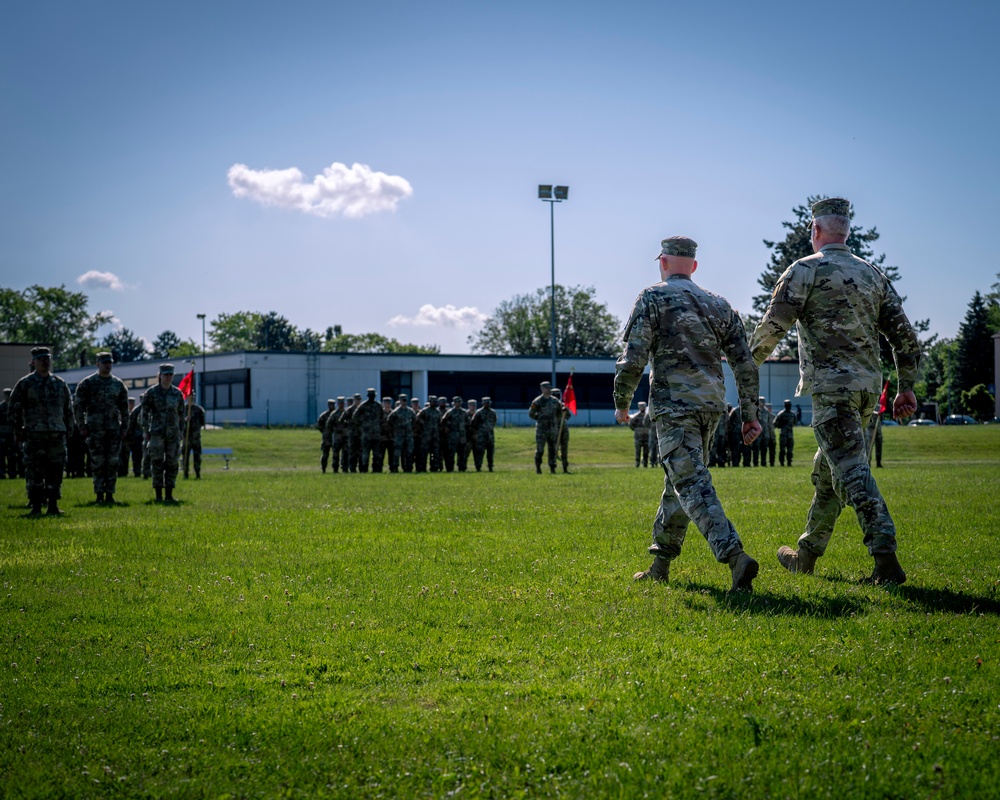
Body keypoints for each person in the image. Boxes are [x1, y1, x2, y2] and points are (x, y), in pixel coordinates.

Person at [750, 197, 920, 585]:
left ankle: (886, 559)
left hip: (832, 391)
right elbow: (906, 340)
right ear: (846, 231)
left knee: (852, 472)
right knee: (828, 471)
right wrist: (906, 389)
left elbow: (771, 330)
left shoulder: (805, 270)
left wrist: (740, 369)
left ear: (815, 231)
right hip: (866, 392)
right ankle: (805, 556)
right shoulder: (872, 274)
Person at [614, 236, 762, 593]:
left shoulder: (653, 297)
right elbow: (745, 363)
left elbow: (634, 357)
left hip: (674, 406)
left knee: (691, 483)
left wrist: (622, 401)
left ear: (662, 262)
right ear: (693, 266)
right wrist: (749, 414)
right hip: (711, 407)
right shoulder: (719, 304)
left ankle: (734, 556)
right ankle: (660, 564)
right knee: (679, 482)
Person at [8, 347, 74, 515]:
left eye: (47, 358)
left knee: (56, 471)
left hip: (56, 434)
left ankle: (53, 506)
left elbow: (68, 409)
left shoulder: (60, 384)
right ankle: (36, 507)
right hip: (34, 434)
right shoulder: (25, 383)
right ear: (33, 362)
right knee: (35, 472)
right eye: (41, 359)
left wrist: (69, 430)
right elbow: (14, 409)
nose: (45, 361)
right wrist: (17, 430)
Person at [74, 352, 129, 504]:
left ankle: (110, 495)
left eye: (109, 362)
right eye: (104, 362)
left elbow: (124, 409)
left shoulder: (118, 384)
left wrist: (124, 428)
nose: (107, 365)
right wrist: (82, 426)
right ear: (97, 364)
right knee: (98, 463)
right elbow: (78, 407)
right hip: (95, 430)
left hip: (113, 430)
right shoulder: (87, 383)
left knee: (112, 463)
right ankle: (99, 495)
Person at [141, 363, 185, 502]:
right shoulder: (151, 392)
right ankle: (158, 495)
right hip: (157, 433)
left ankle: (169, 494)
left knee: (172, 463)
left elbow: (181, 414)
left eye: (170, 374)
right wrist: (146, 430)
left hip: (173, 434)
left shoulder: (177, 393)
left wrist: (181, 431)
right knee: (157, 462)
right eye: (165, 374)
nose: (168, 377)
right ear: (160, 375)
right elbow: (144, 413)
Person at [528, 381, 561, 474]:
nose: (548, 389)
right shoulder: (537, 401)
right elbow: (531, 413)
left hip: (553, 429)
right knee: (540, 450)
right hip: (541, 429)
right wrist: (539, 419)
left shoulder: (555, 401)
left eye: (549, 388)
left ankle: (552, 468)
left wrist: (556, 421)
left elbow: (559, 413)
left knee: (553, 449)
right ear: (541, 389)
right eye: (546, 388)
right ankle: (538, 468)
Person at [356, 388, 385, 473]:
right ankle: (364, 468)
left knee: (376, 453)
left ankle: (376, 469)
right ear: (368, 396)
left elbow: (382, 418)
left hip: (376, 434)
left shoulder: (378, 406)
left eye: (373, 395)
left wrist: (380, 428)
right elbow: (355, 417)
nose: (372, 397)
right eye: (370, 395)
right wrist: (361, 426)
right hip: (366, 434)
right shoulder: (363, 405)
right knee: (365, 453)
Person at [387, 393, 415, 472]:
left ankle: (408, 467)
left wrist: (411, 428)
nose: (404, 402)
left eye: (405, 400)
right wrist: (395, 429)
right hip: (399, 435)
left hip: (408, 435)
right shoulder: (396, 411)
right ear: (400, 400)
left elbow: (415, 420)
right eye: (403, 400)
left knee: (409, 452)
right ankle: (395, 467)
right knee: (397, 452)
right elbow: (389, 421)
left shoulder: (410, 411)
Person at [439, 396, 468, 472]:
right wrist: (447, 429)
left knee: (462, 453)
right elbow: (443, 422)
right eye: (457, 402)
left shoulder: (464, 412)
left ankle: (462, 468)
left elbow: (468, 423)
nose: (458, 403)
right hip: (452, 436)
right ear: (454, 403)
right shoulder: (450, 412)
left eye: (460, 402)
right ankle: (450, 468)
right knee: (451, 453)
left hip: (462, 437)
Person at [470, 396, 498, 472]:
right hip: (481, 436)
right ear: (482, 403)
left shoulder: (493, 412)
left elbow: (494, 422)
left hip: (490, 436)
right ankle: (478, 466)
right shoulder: (478, 412)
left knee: (490, 452)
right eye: (485, 403)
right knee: (479, 452)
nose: (487, 404)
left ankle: (490, 466)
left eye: (488, 403)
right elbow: (473, 423)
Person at [415, 396, 440, 473]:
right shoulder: (424, 411)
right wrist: (421, 430)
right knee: (424, 453)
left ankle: (434, 467)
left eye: (436, 401)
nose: (434, 403)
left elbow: (439, 423)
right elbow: (417, 421)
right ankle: (422, 467)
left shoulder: (437, 412)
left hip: (435, 436)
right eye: (433, 401)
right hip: (426, 436)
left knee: (435, 452)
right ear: (430, 402)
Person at [120, 398, 144, 478]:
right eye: (129, 403)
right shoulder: (125, 411)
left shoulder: (136, 410)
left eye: (132, 403)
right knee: (124, 456)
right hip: (127, 438)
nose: (131, 404)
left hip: (135, 437)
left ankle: (137, 472)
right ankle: (123, 472)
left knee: (137, 456)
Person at [183, 398, 206, 478]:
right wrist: (185, 420)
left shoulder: (199, 410)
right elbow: (178, 421)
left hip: (196, 437)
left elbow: (202, 422)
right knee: (185, 456)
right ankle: (185, 473)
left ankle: (197, 473)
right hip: (186, 437)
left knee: (197, 456)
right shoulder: (183, 409)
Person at [325, 397, 348, 473]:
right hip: (337, 437)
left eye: (342, 403)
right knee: (335, 454)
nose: (342, 405)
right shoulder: (334, 414)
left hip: (345, 437)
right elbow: (329, 426)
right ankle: (335, 469)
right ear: (338, 404)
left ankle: (344, 468)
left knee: (345, 454)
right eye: (340, 403)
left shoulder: (346, 413)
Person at [551, 388, 571, 473]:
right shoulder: (550, 405)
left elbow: (568, 416)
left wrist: (565, 412)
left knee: (564, 449)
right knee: (553, 448)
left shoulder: (563, 405)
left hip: (563, 428)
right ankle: (552, 467)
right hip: (554, 429)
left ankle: (565, 467)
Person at [773, 399, 796, 467]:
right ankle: (782, 462)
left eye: (789, 405)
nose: (788, 406)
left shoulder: (792, 414)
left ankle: (789, 462)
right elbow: (775, 423)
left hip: (790, 435)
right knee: (782, 450)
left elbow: (794, 423)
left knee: (790, 450)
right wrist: (781, 426)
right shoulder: (781, 414)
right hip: (783, 435)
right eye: (787, 405)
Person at [317, 399, 336, 473]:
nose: (332, 406)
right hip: (326, 439)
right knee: (325, 455)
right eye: (330, 405)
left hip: (335, 438)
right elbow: (319, 425)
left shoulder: (336, 414)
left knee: (335, 454)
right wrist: (325, 432)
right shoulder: (324, 415)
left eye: (333, 405)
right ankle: (323, 468)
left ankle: (335, 469)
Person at [629, 401, 651, 467]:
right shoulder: (635, 416)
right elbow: (631, 425)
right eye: (641, 406)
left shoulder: (648, 416)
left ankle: (645, 464)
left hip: (647, 436)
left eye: (643, 406)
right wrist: (637, 430)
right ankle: (637, 463)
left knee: (646, 452)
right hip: (638, 437)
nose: (642, 408)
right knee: (638, 451)